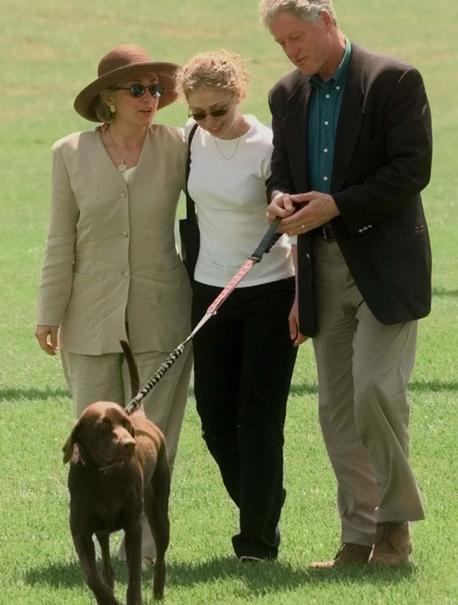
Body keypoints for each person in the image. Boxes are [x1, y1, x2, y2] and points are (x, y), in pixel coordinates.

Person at [259, 0, 432, 567]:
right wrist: (280, 197)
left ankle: (395, 529)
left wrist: (337, 206)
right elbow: (281, 167)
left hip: (386, 267)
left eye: (296, 37)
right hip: (319, 269)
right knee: (336, 408)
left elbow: (411, 169)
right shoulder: (285, 94)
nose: (290, 50)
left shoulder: (394, 79)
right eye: (281, 42)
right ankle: (358, 539)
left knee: (375, 389)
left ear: (327, 20)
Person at [35, 44, 193, 564]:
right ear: (109, 98)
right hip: (89, 316)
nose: (152, 98)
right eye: (138, 89)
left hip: (162, 310)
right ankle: (94, 544)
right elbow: (61, 239)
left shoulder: (181, 145)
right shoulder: (69, 153)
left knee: (152, 438)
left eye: (156, 89)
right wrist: (49, 311)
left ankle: (144, 550)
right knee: (93, 445)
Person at [175, 50, 297, 561]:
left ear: (238, 94)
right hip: (209, 294)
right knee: (215, 420)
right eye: (198, 113)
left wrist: (281, 202)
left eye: (217, 111)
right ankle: (262, 503)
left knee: (259, 422)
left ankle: (256, 543)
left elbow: (284, 191)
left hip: (269, 290)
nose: (208, 122)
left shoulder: (267, 143)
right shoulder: (187, 139)